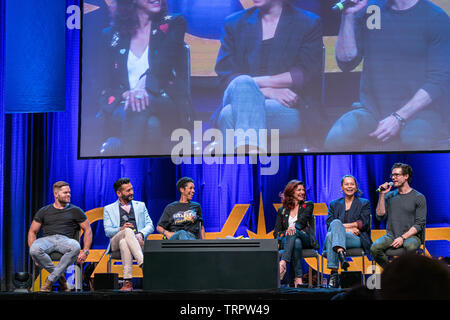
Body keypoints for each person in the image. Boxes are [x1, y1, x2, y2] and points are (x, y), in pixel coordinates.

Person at [325, 0, 450, 152]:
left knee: (415, 139)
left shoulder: (435, 18)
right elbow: (346, 61)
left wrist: (398, 117)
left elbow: (438, 81)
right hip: (372, 108)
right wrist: (348, 16)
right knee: (337, 138)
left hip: (419, 111)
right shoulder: (371, 10)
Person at [211, 0, 324, 153]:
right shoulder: (234, 23)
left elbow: (304, 74)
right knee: (242, 83)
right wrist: (267, 91)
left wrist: (252, 85)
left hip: (289, 106)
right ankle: (254, 162)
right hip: (242, 96)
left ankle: (239, 171)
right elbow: (226, 77)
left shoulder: (307, 22)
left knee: (228, 115)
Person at [97, 0, 194, 156]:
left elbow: (163, 66)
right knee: (151, 125)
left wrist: (142, 87)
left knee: (139, 102)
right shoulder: (110, 35)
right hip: (123, 104)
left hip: (165, 100)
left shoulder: (173, 24)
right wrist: (126, 94)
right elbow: (103, 83)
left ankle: (126, 172)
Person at [28, 181, 92, 292]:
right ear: (56, 195)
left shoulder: (75, 211)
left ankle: (50, 280)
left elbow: (88, 230)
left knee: (76, 246)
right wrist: (35, 256)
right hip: (48, 240)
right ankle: (60, 277)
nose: (69, 195)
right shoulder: (44, 211)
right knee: (33, 249)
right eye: (65, 192)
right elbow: (32, 232)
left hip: (66, 241)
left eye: (69, 192)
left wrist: (85, 251)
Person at [370, 163, 426, 268]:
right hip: (391, 236)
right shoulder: (389, 196)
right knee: (374, 248)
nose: (393, 178)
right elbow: (380, 216)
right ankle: (391, 271)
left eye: (397, 175)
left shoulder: (419, 197)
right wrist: (382, 195)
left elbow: (419, 224)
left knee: (409, 246)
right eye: (392, 175)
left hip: (411, 236)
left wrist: (402, 237)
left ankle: (408, 275)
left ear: (406, 176)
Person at [103, 177, 154, 291]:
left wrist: (141, 234)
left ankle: (127, 282)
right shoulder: (109, 209)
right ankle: (143, 262)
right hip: (115, 240)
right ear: (119, 193)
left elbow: (150, 225)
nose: (132, 192)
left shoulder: (140, 205)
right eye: (128, 191)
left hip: (136, 240)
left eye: (131, 189)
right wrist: (120, 229)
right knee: (126, 231)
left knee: (124, 243)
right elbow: (107, 231)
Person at [324, 175, 372, 288]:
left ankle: (333, 274)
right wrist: (349, 228)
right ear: (341, 187)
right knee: (332, 230)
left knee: (333, 231)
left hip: (356, 238)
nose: (349, 186)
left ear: (356, 187)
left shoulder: (364, 203)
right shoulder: (334, 204)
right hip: (340, 236)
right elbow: (329, 225)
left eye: (352, 184)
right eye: (346, 184)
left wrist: (342, 227)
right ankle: (341, 253)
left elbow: (363, 223)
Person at [273, 179, 318, 287]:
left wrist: (293, 226)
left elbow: (302, 221)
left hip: (305, 238)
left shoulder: (308, 205)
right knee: (296, 242)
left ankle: (283, 263)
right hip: (289, 240)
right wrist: (288, 231)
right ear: (291, 192)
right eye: (299, 190)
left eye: (303, 190)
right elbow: (277, 232)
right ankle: (298, 278)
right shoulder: (282, 210)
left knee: (295, 233)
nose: (302, 192)